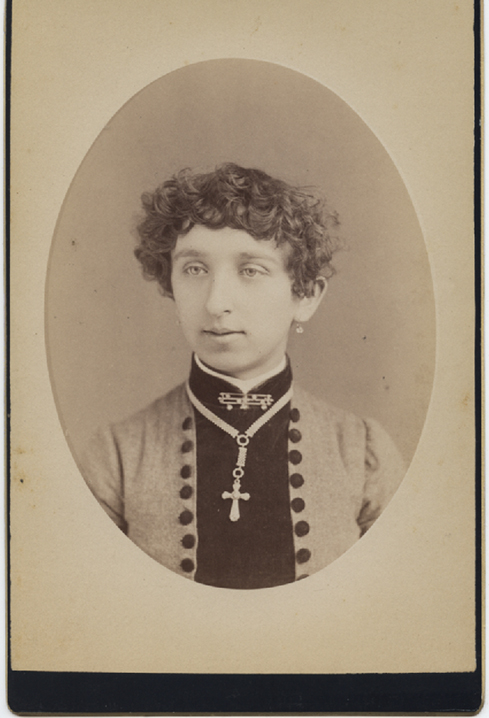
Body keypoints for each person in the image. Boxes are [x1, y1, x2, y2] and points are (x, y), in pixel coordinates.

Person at [82, 163, 405, 589]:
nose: (216, 303)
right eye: (194, 269)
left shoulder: (362, 452)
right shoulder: (117, 456)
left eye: (251, 270)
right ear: (170, 283)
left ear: (305, 296)